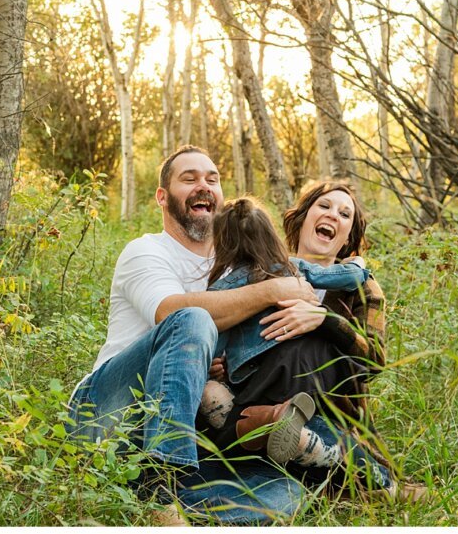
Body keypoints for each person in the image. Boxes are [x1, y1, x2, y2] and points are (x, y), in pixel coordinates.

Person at [67, 146, 319, 523]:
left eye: (212, 179)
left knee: (286, 493)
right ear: (162, 197)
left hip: (177, 435)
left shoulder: (236, 267)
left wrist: (314, 309)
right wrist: (273, 291)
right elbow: (173, 312)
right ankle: (159, 491)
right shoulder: (145, 251)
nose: (204, 186)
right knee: (193, 319)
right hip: (106, 416)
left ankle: (151, 495)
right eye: (189, 179)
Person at [196, 191, 395, 493]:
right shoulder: (268, 272)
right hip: (251, 387)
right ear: (301, 219)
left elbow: (374, 360)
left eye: (344, 214)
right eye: (324, 206)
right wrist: (219, 364)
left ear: (347, 238)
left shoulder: (362, 286)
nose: (332, 215)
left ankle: (258, 428)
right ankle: (280, 432)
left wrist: (324, 321)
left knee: (302, 349)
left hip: (325, 402)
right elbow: (223, 331)